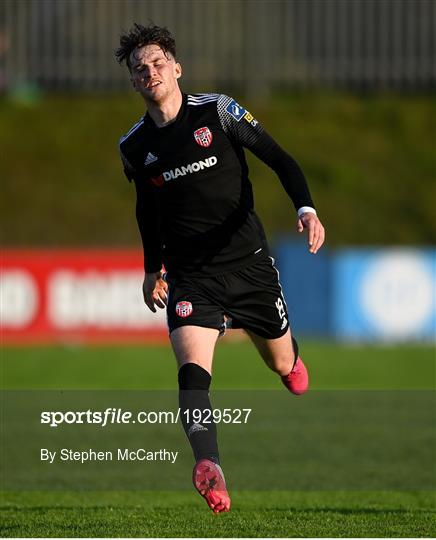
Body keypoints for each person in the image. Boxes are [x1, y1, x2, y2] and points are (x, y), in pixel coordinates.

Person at [116, 23, 325, 514]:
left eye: (158, 63)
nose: (150, 73)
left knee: (282, 367)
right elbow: (148, 211)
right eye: (140, 69)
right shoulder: (133, 147)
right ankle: (210, 466)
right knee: (191, 374)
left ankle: (289, 355)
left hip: (250, 265)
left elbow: (279, 158)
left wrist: (306, 209)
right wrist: (153, 269)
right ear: (134, 83)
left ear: (177, 68)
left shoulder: (219, 112)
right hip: (192, 276)